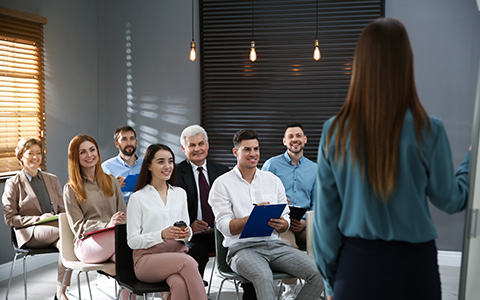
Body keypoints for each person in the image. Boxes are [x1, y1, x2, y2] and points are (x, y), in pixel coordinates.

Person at [313, 18, 470, 300]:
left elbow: (325, 220)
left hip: (356, 268)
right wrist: (472, 162)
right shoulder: (430, 129)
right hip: (415, 267)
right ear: (406, 63)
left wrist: (332, 281)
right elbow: (451, 199)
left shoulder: (334, 130)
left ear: (360, 64)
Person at [209, 129, 324, 300]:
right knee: (264, 277)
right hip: (242, 249)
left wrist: (282, 224)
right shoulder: (222, 184)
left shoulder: (272, 180)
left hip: (275, 245)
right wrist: (251, 219)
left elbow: (285, 218)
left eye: (256, 149)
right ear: (236, 152)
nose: (253, 153)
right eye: (247, 149)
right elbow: (225, 227)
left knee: (319, 273)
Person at [127, 143, 207, 300]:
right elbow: (132, 241)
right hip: (147, 260)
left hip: (175, 254)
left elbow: (187, 234)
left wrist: (186, 232)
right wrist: (161, 234)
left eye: (170, 161)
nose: (168, 166)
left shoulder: (180, 193)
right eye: (161, 161)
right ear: (149, 165)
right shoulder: (138, 198)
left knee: (179, 284)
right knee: (188, 262)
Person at [2, 138, 71, 300]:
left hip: (54, 230)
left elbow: (62, 210)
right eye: (30, 153)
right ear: (20, 156)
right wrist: (38, 219)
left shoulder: (52, 179)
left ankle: (61, 293)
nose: (35, 157)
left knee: (67, 244)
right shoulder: (13, 183)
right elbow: (10, 218)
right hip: (30, 233)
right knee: (67, 233)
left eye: (38, 153)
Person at [262, 122, 317, 299]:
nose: (295, 140)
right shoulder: (271, 165)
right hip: (279, 223)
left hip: (304, 223)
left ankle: (320, 284)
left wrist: (305, 222)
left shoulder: (315, 169)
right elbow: (260, 195)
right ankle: (290, 290)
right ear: (284, 141)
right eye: (291, 136)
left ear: (305, 140)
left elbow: (318, 203)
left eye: (298, 136)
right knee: (288, 247)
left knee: (324, 240)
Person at [63, 134, 126, 265]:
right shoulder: (71, 189)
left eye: (92, 149)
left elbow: (123, 215)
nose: (89, 155)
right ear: (75, 157)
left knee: (127, 258)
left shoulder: (112, 181)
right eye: (82, 152)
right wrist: (107, 225)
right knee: (125, 241)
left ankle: (123, 286)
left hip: (115, 239)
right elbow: (78, 227)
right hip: (87, 243)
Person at [176, 125, 229, 277]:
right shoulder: (175, 173)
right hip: (194, 235)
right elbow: (171, 207)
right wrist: (189, 224)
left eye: (201, 144)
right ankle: (197, 293)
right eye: (192, 145)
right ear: (183, 148)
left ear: (207, 145)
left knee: (247, 250)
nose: (197, 149)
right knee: (194, 252)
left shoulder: (222, 171)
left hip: (222, 231)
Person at [102, 126, 143, 204]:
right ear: (117, 143)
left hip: (144, 212)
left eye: (132, 138)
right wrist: (113, 186)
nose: (129, 143)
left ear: (136, 142)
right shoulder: (106, 167)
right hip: (118, 212)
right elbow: (99, 196)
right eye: (124, 139)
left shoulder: (147, 165)